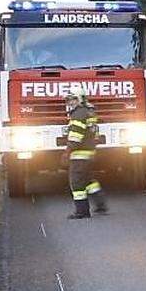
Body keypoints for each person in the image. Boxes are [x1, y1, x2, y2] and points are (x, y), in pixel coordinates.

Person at [64, 87, 107, 219]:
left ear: (80, 99)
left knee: (77, 182)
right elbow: (94, 133)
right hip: (89, 152)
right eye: (69, 100)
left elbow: (75, 138)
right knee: (87, 180)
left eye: (73, 99)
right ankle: (100, 204)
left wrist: (67, 152)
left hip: (79, 154)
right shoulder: (89, 112)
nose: (70, 103)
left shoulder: (78, 114)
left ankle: (82, 211)